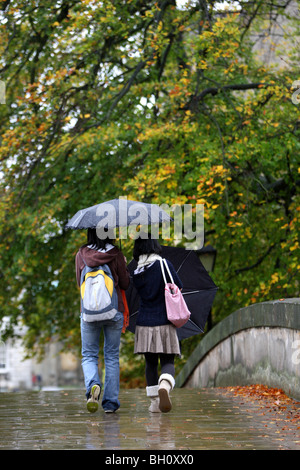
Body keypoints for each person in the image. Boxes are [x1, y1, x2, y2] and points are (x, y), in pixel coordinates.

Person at [75, 228, 130, 413]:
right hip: (113, 311)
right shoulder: (115, 253)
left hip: (88, 313)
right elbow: (125, 284)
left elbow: (79, 283)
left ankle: (93, 385)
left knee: (89, 355)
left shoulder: (81, 255)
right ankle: (110, 403)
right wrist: (123, 264)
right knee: (112, 357)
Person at [132, 236, 183, 413]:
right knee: (168, 359)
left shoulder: (136, 271)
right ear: (154, 245)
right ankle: (165, 384)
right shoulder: (163, 264)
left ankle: (154, 403)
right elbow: (177, 286)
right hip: (165, 320)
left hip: (144, 323)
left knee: (150, 363)